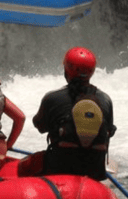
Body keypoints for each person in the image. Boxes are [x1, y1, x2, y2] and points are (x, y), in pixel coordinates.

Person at [17, 47, 116, 181]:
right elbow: (110, 130)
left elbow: (40, 127)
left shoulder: (52, 98)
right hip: (94, 169)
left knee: (23, 166)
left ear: (66, 70)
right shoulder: (106, 100)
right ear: (92, 72)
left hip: (59, 167)